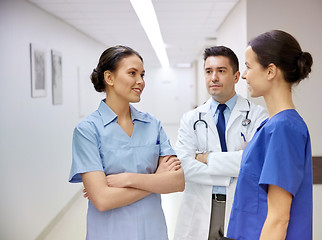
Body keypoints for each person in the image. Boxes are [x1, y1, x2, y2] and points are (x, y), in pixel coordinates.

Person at [68, 45, 185, 240]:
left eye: (142, 74)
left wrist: (128, 179)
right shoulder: (87, 130)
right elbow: (103, 200)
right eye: (132, 73)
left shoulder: (152, 124)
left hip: (153, 231)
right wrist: (156, 180)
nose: (140, 81)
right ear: (109, 78)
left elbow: (177, 182)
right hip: (109, 233)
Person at [173, 46, 268, 240]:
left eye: (221, 71)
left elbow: (256, 164)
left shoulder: (258, 116)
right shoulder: (191, 119)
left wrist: (206, 158)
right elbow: (184, 166)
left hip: (240, 205)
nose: (213, 77)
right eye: (208, 71)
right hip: (200, 208)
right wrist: (228, 175)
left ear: (236, 76)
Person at [227, 30, 313, 240]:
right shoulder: (271, 125)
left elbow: (278, 218)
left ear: (270, 71)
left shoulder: (284, 129)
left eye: (248, 66)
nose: (244, 75)